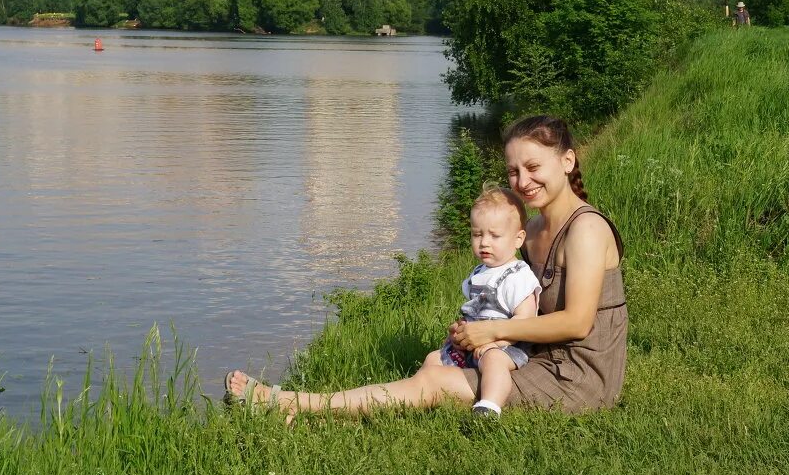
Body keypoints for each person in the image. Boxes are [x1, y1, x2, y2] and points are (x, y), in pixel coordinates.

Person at [224, 115, 628, 417]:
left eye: (534, 167)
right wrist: (472, 331)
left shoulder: (586, 229)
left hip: (580, 379)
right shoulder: (533, 228)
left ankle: (292, 403)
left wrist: (492, 330)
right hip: (538, 357)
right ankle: (345, 414)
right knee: (435, 362)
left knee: (433, 382)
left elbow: (577, 323)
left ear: (568, 160)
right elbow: (522, 303)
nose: (522, 181)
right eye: (513, 171)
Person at [434, 184, 540, 417]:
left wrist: (497, 341)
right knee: (435, 357)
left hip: (507, 347)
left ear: (518, 239)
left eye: (494, 235)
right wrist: (460, 331)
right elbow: (474, 313)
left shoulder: (518, 276)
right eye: (477, 234)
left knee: (493, 362)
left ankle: (490, 405)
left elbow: (526, 320)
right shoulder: (479, 272)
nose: (484, 243)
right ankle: (422, 392)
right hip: (473, 344)